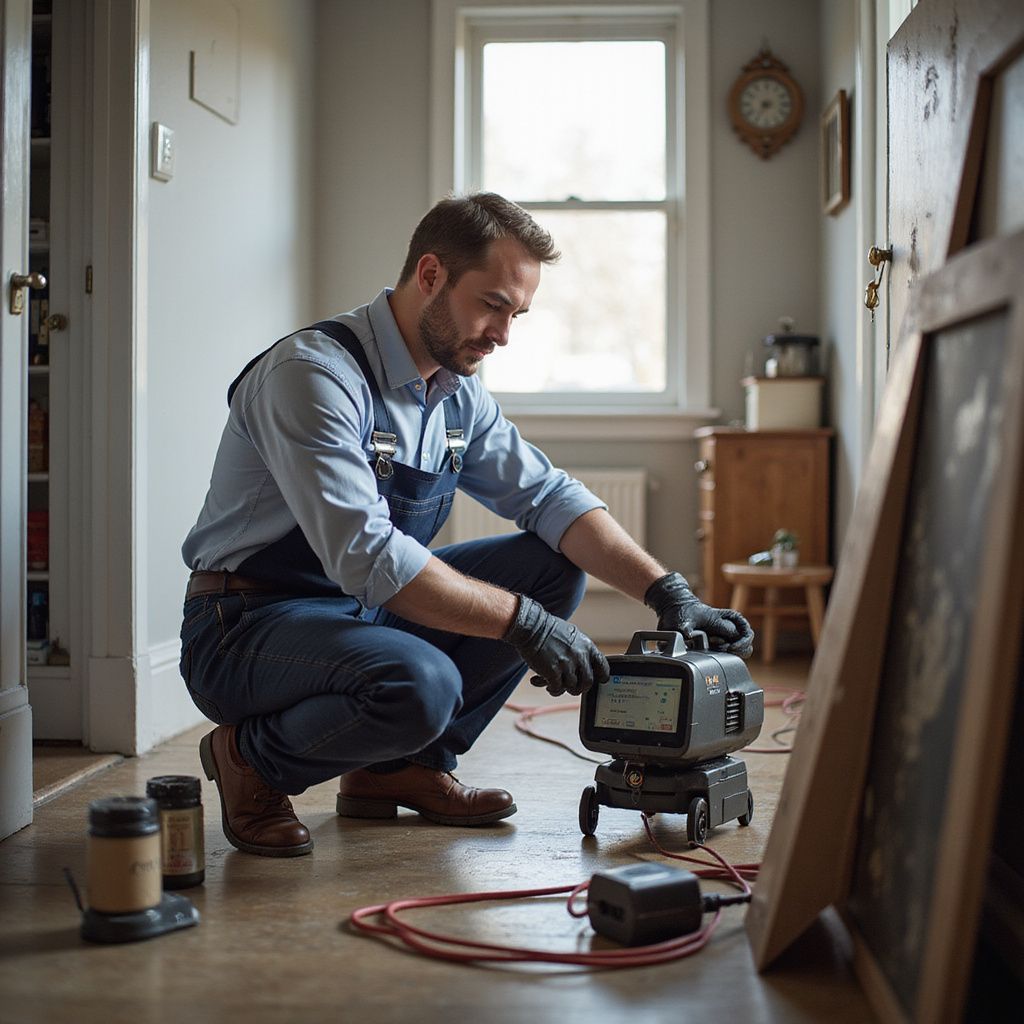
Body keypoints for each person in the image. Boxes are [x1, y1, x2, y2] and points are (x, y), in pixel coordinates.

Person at [180, 192, 753, 858]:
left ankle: (401, 769)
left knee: (550, 566)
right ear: (431, 275)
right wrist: (523, 623)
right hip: (245, 626)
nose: (504, 334)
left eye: (518, 314)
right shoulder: (313, 377)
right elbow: (366, 556)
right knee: (423, 684)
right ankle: (251, 760)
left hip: (354, 616)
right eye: (493, 304)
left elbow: (549, 497)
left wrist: (668, 592)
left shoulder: (456, 393)